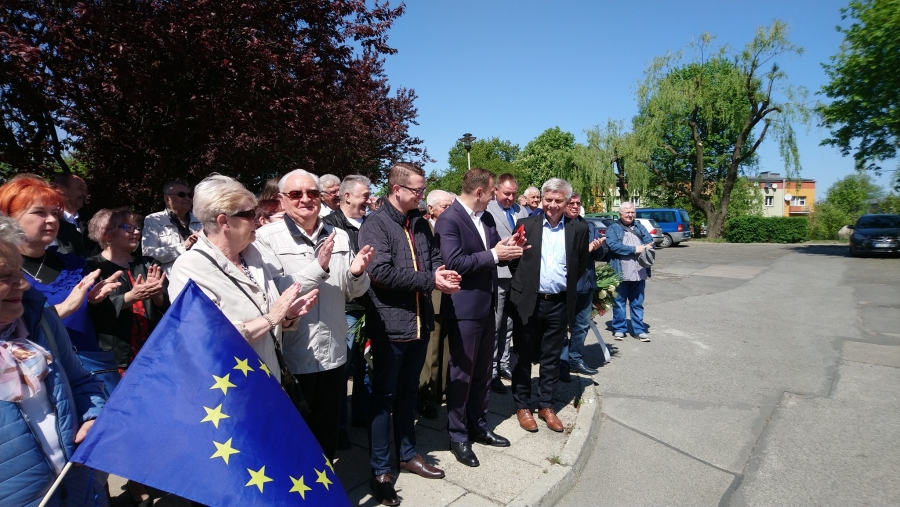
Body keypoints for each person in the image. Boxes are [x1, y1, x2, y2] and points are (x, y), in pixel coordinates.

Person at [357, 162, 460, 506]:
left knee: (407, 394)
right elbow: (380, 272)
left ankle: (408, 454)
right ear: (397, 189)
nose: (421, 195)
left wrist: (441, 273)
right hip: (390, 326)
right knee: (383, 398)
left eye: (423, 189)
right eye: (417, 190)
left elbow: (433, 257)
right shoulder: (376, 224)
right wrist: (431, 280)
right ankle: (381, 471)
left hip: (419, 322)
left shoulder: (418, 221)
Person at [255, 169, 372, 461]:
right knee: (293, 438)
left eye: (312, 193)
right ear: (282, 199)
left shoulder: (339, 235)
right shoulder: (266, 238)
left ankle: (326, 483)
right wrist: (318, 268)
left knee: (326, 434)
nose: (305, 199)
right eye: (296, 194)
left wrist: (357, 273)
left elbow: (354, 291)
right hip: (293, 356)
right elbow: (276, 293)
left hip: (333, 352)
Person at [0, 215, 109, 507]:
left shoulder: (40, 319)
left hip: (81, 492)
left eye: (19, 271)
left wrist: (92, 415)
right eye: (4, 276)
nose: (22, 285)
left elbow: (80, 381)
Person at [167, 174, 318, 384]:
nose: (258, 219)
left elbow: (266, 319)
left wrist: (287, 315)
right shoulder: (190, 268)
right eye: (250, 214)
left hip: (269, 381)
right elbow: (206, 338)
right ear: (224, 221)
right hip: (231, 389)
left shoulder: (253, 255)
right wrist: (272, 317)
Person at [435, 168, 525, 467]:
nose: (493, 198)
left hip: (487, 305)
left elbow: (496, 248)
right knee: (462, 374)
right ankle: (457, 435)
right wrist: (496, 255)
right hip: (463, 309)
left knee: (483, 372)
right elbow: (454, 261)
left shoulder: (485, 218)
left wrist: (512, 246)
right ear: (479, 192)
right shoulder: (449, 219)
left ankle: (479, 425)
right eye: (491, 192)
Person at [0, 176, 122, 390]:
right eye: (40, 212)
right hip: (33, 383)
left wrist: (96, 303)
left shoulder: (75, 265)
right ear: (9, 218)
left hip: (88, 377)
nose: (52, 220)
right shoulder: (6, 275)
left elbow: (102, 327)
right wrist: (65, 308)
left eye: (55, 213)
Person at [506, 178, 599, 433]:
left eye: (559, 200)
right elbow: (515, 261)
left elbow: (580, 265)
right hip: (530, 301)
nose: (553, 205)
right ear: (543, 199)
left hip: (558, 302)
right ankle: (522, 405)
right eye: (548, 199)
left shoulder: (579, 229)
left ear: (567, 202)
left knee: (551, 357)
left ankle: (546, 405)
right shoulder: (526, 224)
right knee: (523, 355)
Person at [322, 174, 372, 447]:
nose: (369, 200)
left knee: (367, 363)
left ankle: (362, 414)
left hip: (371, 304)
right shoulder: (329, 227)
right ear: (347, 196)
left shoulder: (371, 223)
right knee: (341, 369)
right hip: (346, 307)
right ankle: (338, 425)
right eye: (365, 195)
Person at [87, 208, 170, 371]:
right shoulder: (92, 267)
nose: (137, 232)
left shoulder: (148, 264)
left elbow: (169, 306)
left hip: (153, 355)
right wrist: (131, 297)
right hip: (115, 360)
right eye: (128, 228)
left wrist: (158, 296)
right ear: (107, 234)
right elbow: (93, 313)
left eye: (137, 227)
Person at [484, 173, 530, 394]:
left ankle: (504, 364)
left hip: (518, 276)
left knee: (510, 325)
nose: (510, 198)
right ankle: (491, 371)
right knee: (496, 324)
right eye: (506, 194)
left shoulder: (522, 211)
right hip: (498, 274)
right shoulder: (487, 210)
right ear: (496, 191)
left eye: (513, 194)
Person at [560, 193, 609, 377]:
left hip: (586, 284)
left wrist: (598, 248)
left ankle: (576, 359)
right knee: (561, 326)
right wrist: (586, 250)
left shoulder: (588, 226)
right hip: (566, 285)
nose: (575, 206)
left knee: (581, 325)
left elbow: (600, 255)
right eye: (571, 203)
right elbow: (564, 255)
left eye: (578, 203)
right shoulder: (560, 227)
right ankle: (562, 363)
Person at [417, 188, 454, 419]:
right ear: (430, 208)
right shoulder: (424, 229)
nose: (449, 210)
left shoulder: (453, 226)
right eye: (445, 206)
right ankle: (425, 397)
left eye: (451, 206)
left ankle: (441, 391)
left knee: (446, 348)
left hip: (453, 296)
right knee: (430, 351)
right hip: (433, 296)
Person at [605, 202, 654, 342]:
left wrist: (648, 246)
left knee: (637, 303)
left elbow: (650, 241)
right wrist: (634, 249)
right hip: (620, 272)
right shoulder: (613, 228)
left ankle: (639, 330)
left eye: (632, 212)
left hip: (639, 272)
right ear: (620, 214)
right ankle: (619, 329)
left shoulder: (640, 226)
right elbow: (613, 246)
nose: (630, 215)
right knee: (619, 302)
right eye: (627, 212)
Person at [142, 180, 203, 274]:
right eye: (182, 195)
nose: (187, 198)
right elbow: (149, 255)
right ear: (167, 199)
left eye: (189, 195)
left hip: (199, 274)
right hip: (171, 277)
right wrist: (183, 246)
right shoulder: (153, 220)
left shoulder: (200, 220)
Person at [50, 173, 93, 257]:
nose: (85, 195)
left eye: (85, 191)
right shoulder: (49, 221)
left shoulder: (90, 221)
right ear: (61, 189)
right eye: (80, 189)